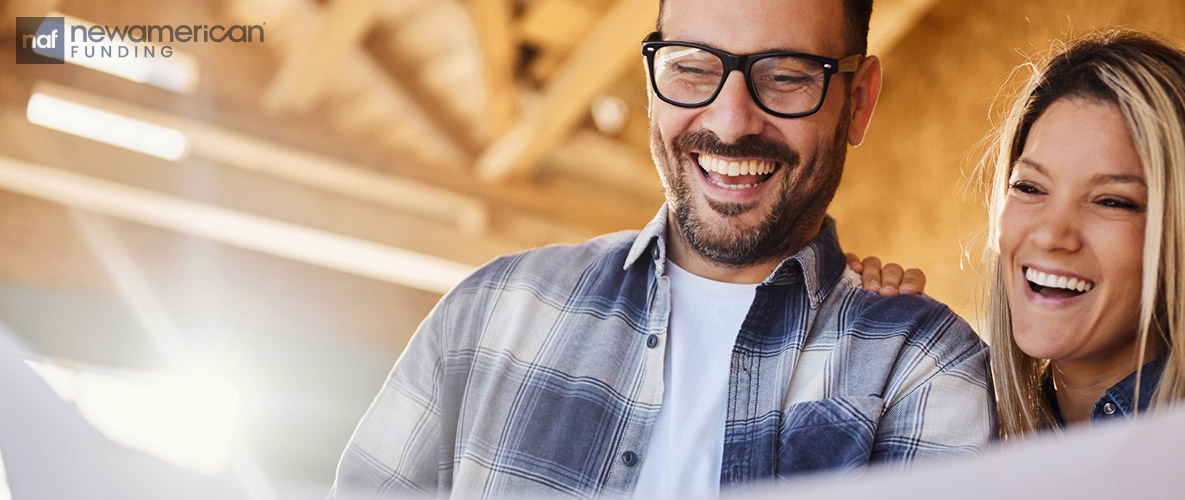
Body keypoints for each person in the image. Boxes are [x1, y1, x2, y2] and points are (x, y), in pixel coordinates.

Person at [330, 0, 995, 498]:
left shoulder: (923, 368)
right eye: (692, 68)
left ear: (859, 101)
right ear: (652, 79)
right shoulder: (488, 314)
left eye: (787, 76)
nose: (731, 121)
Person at [851, 29, 1185, 498]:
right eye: (1030, 187)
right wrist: (851, 341)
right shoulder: (970, 444)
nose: (1052, 234)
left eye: (1112, 200)